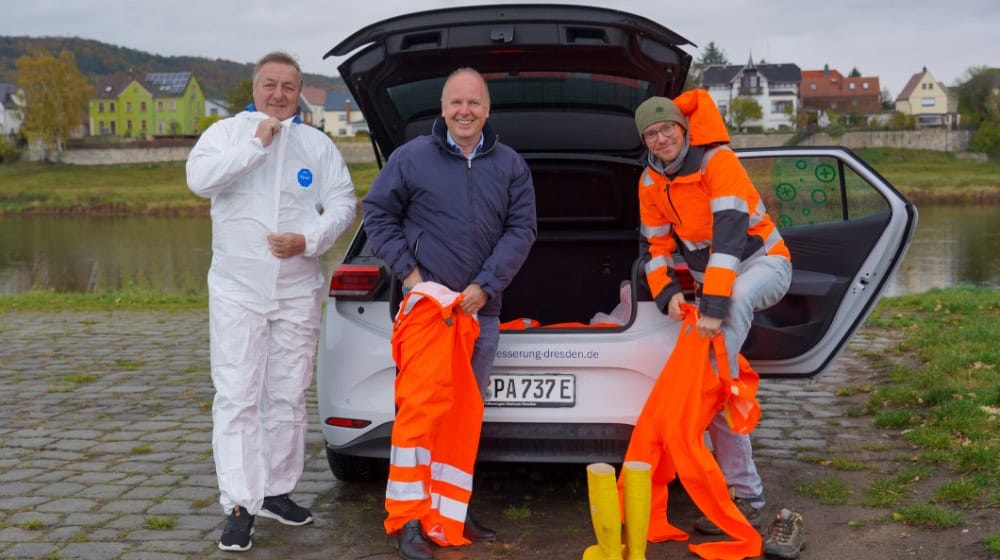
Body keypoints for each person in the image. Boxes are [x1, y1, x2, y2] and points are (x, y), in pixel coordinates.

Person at [362, 67, 537, 560]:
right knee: (419, 418)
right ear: (443, 108)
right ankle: (409, 520)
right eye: (456, 103)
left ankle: (449, 512)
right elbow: (377, 214)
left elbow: (521, 230)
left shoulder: (509, 164)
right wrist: (413, 278)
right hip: (427, 314)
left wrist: (485, 286)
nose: (465, 111)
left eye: (474, 104)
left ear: (487, 110)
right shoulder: (411, 157)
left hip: (482, 313)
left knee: (462, 417)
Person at [186, 51, 358, 553]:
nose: (279, 94)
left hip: (297, 288)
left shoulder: (316, 144)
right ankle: (240, 504)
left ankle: (277, 491)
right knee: (238, 394)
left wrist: (309, 239)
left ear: (299, 90)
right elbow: (200, 181)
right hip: (238, 288)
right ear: (255, 86)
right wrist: (256, 146)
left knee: (286, 393)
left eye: (288, 86)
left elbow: (344, 201)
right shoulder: (226, 135)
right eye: (270, 85)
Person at [634, 89, 803, 558]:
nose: (661, 137)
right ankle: (743, 495)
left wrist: (711, 307)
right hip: (716, 282)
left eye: (667, 127)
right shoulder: (649, 182)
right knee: (719, 381)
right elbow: (655, 249)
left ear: (683, 129)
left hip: (763, 265)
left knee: (716, 365)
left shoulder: (717, 161)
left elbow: (729, 235)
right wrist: (667, 293)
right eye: (651, 133)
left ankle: (735, 477)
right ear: (645, 142)